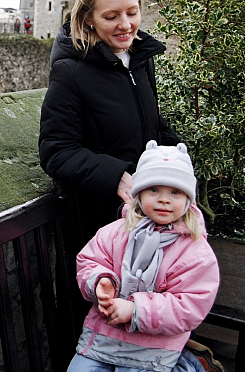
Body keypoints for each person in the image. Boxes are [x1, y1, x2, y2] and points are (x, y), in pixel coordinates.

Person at [39, 0, 179, 244]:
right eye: (111, 16)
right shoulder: (70, 71)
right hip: (103, 224)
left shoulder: (140, 60)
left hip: (149, 216)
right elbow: (56, 151)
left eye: (132, 12)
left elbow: (150, 122)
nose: (125, 25)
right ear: (88, 18)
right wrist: (117, 176)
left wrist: (178, 160)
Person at [68, 140, 221, 372]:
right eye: (153, 189)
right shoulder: (115, 233)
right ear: (138, 193)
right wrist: (101, 281)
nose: (164, 199)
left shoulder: (195, 252)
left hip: (154, 353)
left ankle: (187, 364)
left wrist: (135, 310)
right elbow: (90, 261)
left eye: (175, 192)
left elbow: (190, 305)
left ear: (189, 201)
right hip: (101, 341)